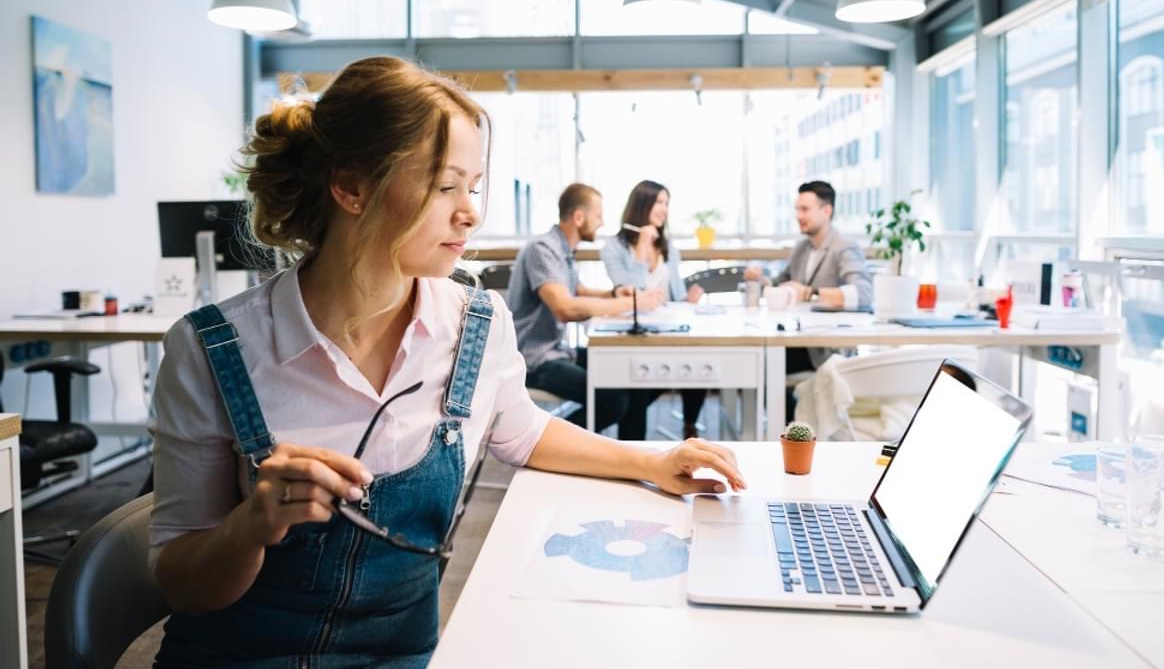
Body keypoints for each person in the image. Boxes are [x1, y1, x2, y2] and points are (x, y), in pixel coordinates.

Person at [148, 57, 745, 669]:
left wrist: (654, 460)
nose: (471, 213)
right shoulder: (210, 350)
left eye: (474, 186)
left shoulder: (474, 324)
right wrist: (250, 526)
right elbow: (181, 582)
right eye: (444, 186)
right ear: (351, 187)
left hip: (402, 656)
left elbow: (524, 431)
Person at [508, 183, 666, 440]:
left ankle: (634, 458)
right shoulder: (543, 249)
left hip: (558, 351)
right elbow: (565, 307)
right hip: (534, 360)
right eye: (598, 216)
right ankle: (545, 444)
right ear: (578, 217)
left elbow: (578, 290)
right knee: (612, 400)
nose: (602, 223)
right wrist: (633, 303)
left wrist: (616, 293)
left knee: (635, 378)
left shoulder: (562, 249)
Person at [745, 180, 872, 418]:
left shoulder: (844, 247)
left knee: (760, 366)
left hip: (826, 349)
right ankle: (789, 426)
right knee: (751, 362)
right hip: (799, 339)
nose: (798, 215)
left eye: (805, 209)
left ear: (827, 211)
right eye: (797, 209)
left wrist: (812, 292)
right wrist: (762, 280)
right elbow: (781, 282)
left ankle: (792, 429)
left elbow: (863, 294)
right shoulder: (802, 247)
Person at [601, 180, 708, 439]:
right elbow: (630, 295)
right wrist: (640, 250)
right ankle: (632, 448)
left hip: (666, 330)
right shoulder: (613, 248)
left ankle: (689, 426)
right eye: (659, 202)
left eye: (666, 203)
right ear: (642, 205)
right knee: (638, 386)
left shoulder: (669, 248)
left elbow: (676, 296)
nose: (664, 209)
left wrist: (689, 300)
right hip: (634, 334)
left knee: (699, 356)